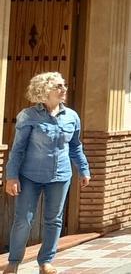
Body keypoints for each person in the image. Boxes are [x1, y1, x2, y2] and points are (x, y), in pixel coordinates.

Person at [4, 72, 90, 274]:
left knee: (54, 219)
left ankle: (46, 262)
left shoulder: (71, 116)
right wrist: (11, 176)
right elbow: (17, 149)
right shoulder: (28, 116)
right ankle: (14, 262)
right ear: (44, 91)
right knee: (23, 219)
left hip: (61, 176)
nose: (64, 89)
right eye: (58, 86)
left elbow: (76, 146)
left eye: (64, 85)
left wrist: (84, 169)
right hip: (29, 176)